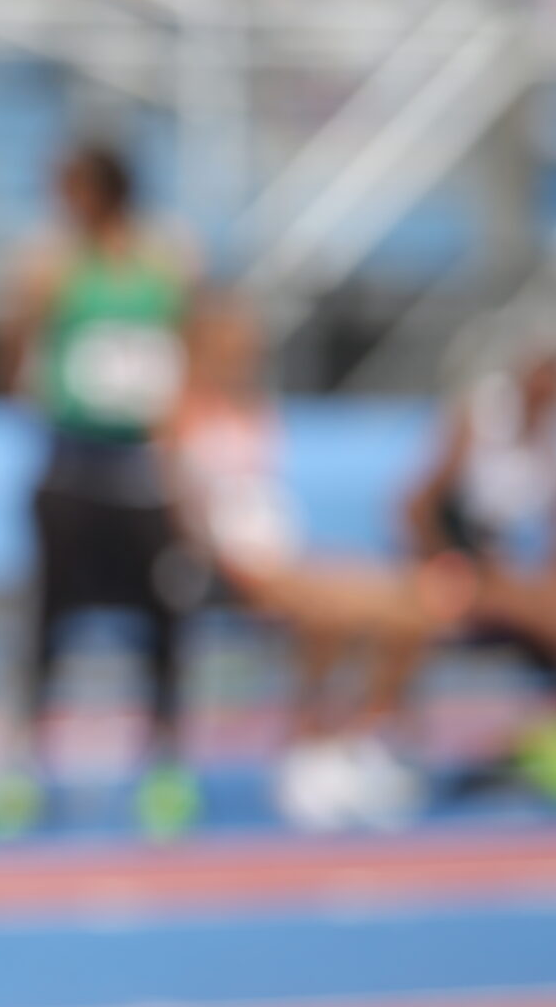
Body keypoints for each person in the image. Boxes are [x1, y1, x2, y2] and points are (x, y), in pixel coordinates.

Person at [164, 298, 472, 830]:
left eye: (249, 351)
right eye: (231, 349)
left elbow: (263, 501)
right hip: (213, 564)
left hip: (277, 554)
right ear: (201, 347)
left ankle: (357, 738)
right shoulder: (176, 414)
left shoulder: (255, 411)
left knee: (418, 604)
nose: (243, 360)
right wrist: (236, 558)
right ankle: (306, 746)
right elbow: (181, 510)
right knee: (323, 612)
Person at [0, 143, 199, 839]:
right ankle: (23, 766)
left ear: (102, 188)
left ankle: (164, 765)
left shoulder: (165, 260)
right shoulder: (51, 265)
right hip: (72, 465)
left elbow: (184, 349)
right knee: (48, 617)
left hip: (143, 470)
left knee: (164, 614)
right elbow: (12, 349)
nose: (61, 200)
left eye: (70, 186)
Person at [404, 332, 556, 804]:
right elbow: (417, 506)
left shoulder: (555, 441)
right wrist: (444, 563)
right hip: (462, 562)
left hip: (502, 566)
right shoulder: (480, 419)